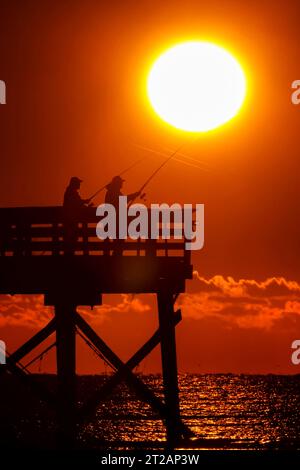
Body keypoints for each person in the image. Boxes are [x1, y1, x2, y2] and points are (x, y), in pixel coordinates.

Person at [105, 175, 141, 255]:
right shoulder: (113, 192)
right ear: (117, 183)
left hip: (113, 221)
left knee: (118, 244)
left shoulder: (112, 191)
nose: (122, 184)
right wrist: (134, 195)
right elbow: (122, 200)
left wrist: (133, 196)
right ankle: (116, 260)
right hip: (116, 222)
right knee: (118, 244)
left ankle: (115, 259)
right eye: (121, 182)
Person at [63, 177, 91, 254]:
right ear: (74, 183)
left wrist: (85, 203)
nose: (79, 184)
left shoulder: (70, 192)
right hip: (71, 222)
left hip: (70, 221)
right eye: (78, 183)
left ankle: (69, 256)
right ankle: (70, 257)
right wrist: (85, 202)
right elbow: (76, 203)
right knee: (72, 240)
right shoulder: (72, 192)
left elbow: (77, 203)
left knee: (71, 241)